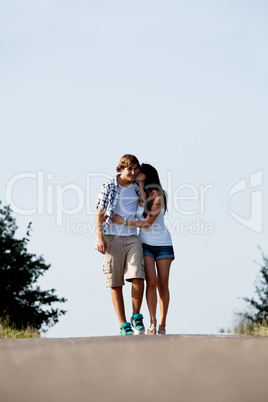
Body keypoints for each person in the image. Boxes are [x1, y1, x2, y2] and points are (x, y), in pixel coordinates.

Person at [112, 163, 174, 335]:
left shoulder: (158, 195)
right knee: (151, 282)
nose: (135, 172)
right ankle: (152, 322)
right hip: (145, 244)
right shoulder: (139, 192)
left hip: (163, 244)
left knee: (163, 284)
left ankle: (162, 324)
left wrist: (122, 221)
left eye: (139, 171)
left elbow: (146, 223)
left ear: (147, 174)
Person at [95, 154, 146, 335]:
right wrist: (100, 238)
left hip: (133, 236)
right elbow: (100, 213)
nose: (132, 172)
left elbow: (145, 208)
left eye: (135, 169)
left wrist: (140, 183)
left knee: (138, 275)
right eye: (129, 169)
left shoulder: (137, 187)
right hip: (111, 237)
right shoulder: (109, 186)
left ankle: (136, 315)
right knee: (115, 282)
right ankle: (123, 324)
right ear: (121, 169)